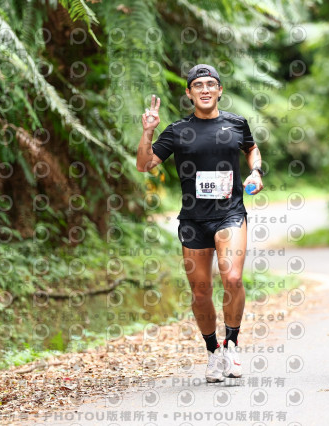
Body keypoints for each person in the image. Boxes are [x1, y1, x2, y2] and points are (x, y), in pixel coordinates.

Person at [136, 64, 264, 382]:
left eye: (210, 84)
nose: (205, 89)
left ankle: (231, 344)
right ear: (189, 93)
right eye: (198, 85)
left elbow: (251, 148)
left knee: (232, 277)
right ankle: (213, 352)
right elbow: (145, 164)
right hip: (193, 220)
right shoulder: (178, 130)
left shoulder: (236, 123)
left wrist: (256, 171)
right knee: (201, 292)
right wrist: (148, 131)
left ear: (220, 90)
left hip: (230, 213)